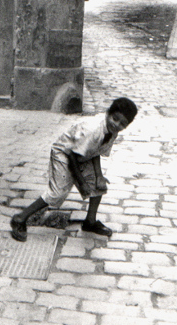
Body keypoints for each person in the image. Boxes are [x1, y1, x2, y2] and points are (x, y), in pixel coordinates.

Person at [10, 97, 138, 242]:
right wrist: (82, 182)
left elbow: (95, 152)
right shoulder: (93, 129)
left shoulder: (112, 131)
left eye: (123, 124)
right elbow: (72, 156)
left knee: (98, 184)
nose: (117, 125)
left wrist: (99, 176)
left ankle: (90, 222)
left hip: (81, 155)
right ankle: (20, 218)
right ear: (108, 113)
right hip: (65, 153)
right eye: (115, 119)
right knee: (57, 194)